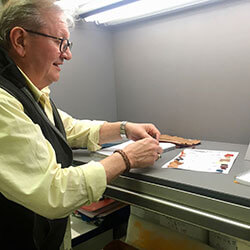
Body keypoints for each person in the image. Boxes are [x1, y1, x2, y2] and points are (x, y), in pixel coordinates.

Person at [0, 0, 163, 249]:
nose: (68, 54)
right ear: (20, 41)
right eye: (59, 42)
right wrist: (126, 158)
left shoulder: (30, 93)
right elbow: (53, 191)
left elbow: (70, 128)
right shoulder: (3, 102)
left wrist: (125, 127)